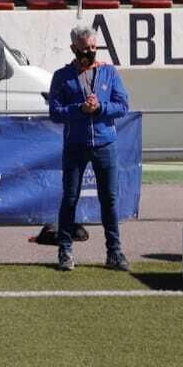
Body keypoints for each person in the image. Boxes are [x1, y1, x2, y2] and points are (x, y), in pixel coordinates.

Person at [47, 24, 132, 273]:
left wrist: (101, 108)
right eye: (85, 48)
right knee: (70, 198)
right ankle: (65, 251)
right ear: (74, 48)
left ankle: (114, 252)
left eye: (94, 47)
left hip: (105, 144)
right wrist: (79, 110)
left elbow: (123, 105)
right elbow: (55, 112)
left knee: (110, 200)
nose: (90, 52)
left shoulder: (109, 72)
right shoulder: (62, 76)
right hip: (75, 145)